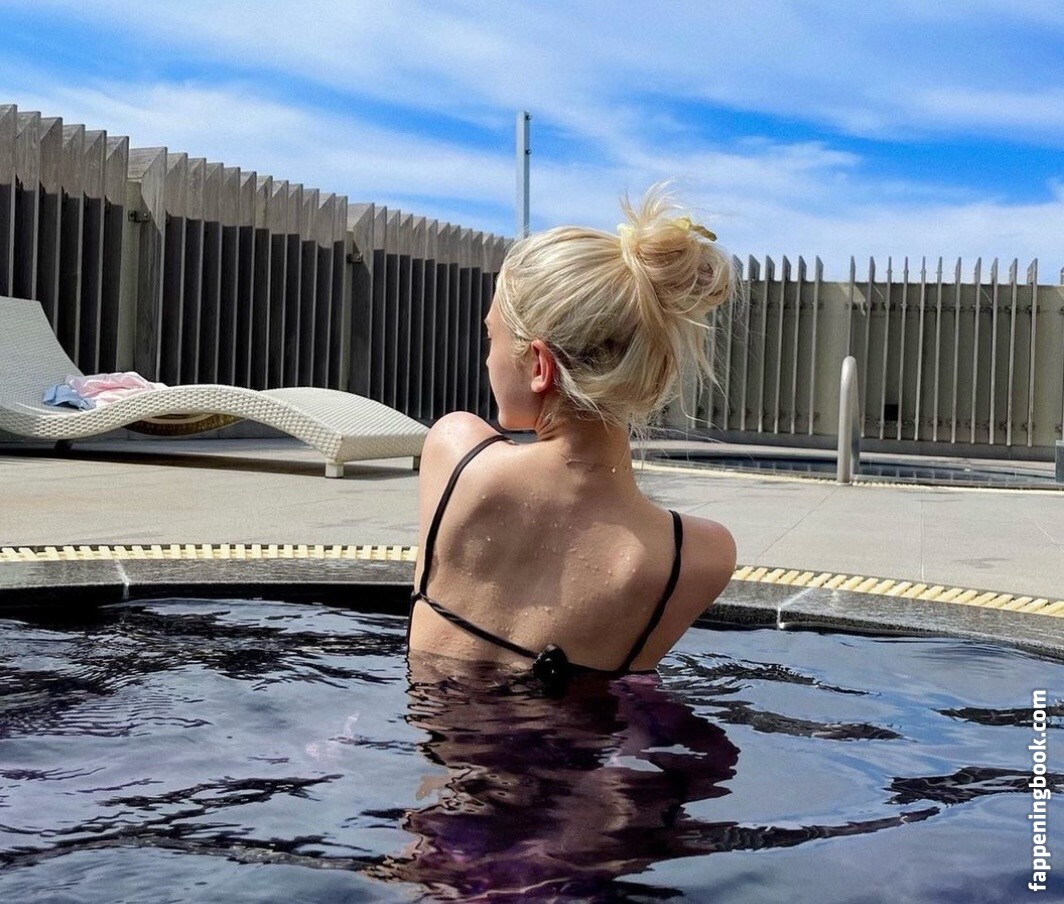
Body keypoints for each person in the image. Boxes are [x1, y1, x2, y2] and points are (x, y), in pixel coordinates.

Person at [407, 186, 736, 693]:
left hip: (435, 738)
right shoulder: (695, 556)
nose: (488, 359)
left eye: (492, 337)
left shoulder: (456, 452)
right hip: (585, 745)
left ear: (540, 365)